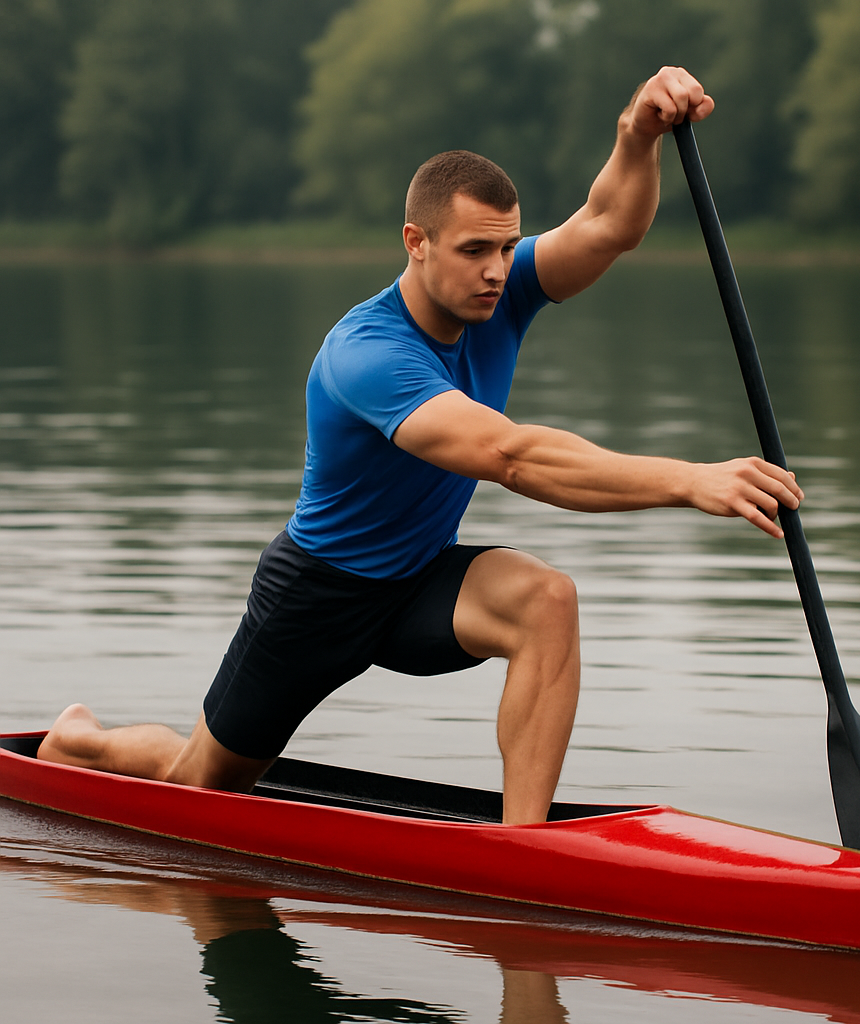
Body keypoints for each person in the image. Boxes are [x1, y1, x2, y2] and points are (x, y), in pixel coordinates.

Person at [39, 66, 803, 824]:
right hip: (318, 595)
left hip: (416, 581)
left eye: (506, 247)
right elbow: (510, 457)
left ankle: (523, 849)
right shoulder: (367, 354)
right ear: (417, 243)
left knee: (546, 600)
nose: (497, 271)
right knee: (200, 785)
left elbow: (609, 224)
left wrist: (637, 132)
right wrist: (688, 480)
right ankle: (81, 740)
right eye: (474, 251)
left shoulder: (504, 289)